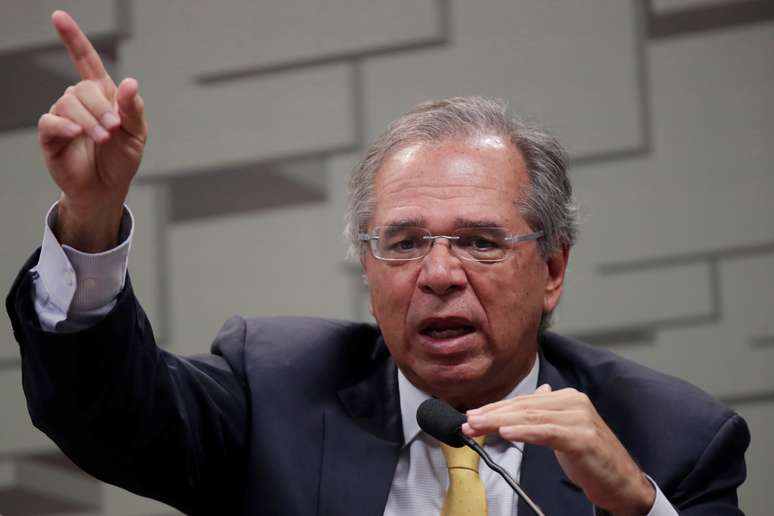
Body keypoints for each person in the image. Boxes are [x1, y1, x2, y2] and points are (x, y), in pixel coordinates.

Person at [6, 10, 748, 516]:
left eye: (481, 241)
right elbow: (106, 414)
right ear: (367, 267)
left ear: (552, 269)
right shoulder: (275, 389)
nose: (438, 274)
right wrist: (93, 217)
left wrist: (638, 507)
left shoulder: (671, 437)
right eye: (403, 241)